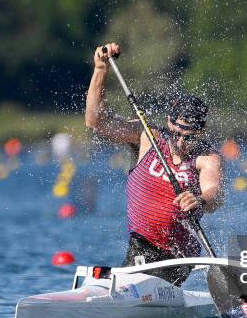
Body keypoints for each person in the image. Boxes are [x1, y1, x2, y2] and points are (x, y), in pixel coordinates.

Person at [85, 43, 224, 286]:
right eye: (176, 133)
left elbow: (214, 194)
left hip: (179, 255)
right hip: (142, 244)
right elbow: (95, 121)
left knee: (137, 297)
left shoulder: (207, 158)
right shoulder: (147, 137)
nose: (181, 141)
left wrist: (199, 200)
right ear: (169, 123)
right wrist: (100, 69)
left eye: (189, 137)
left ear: (201, 132)